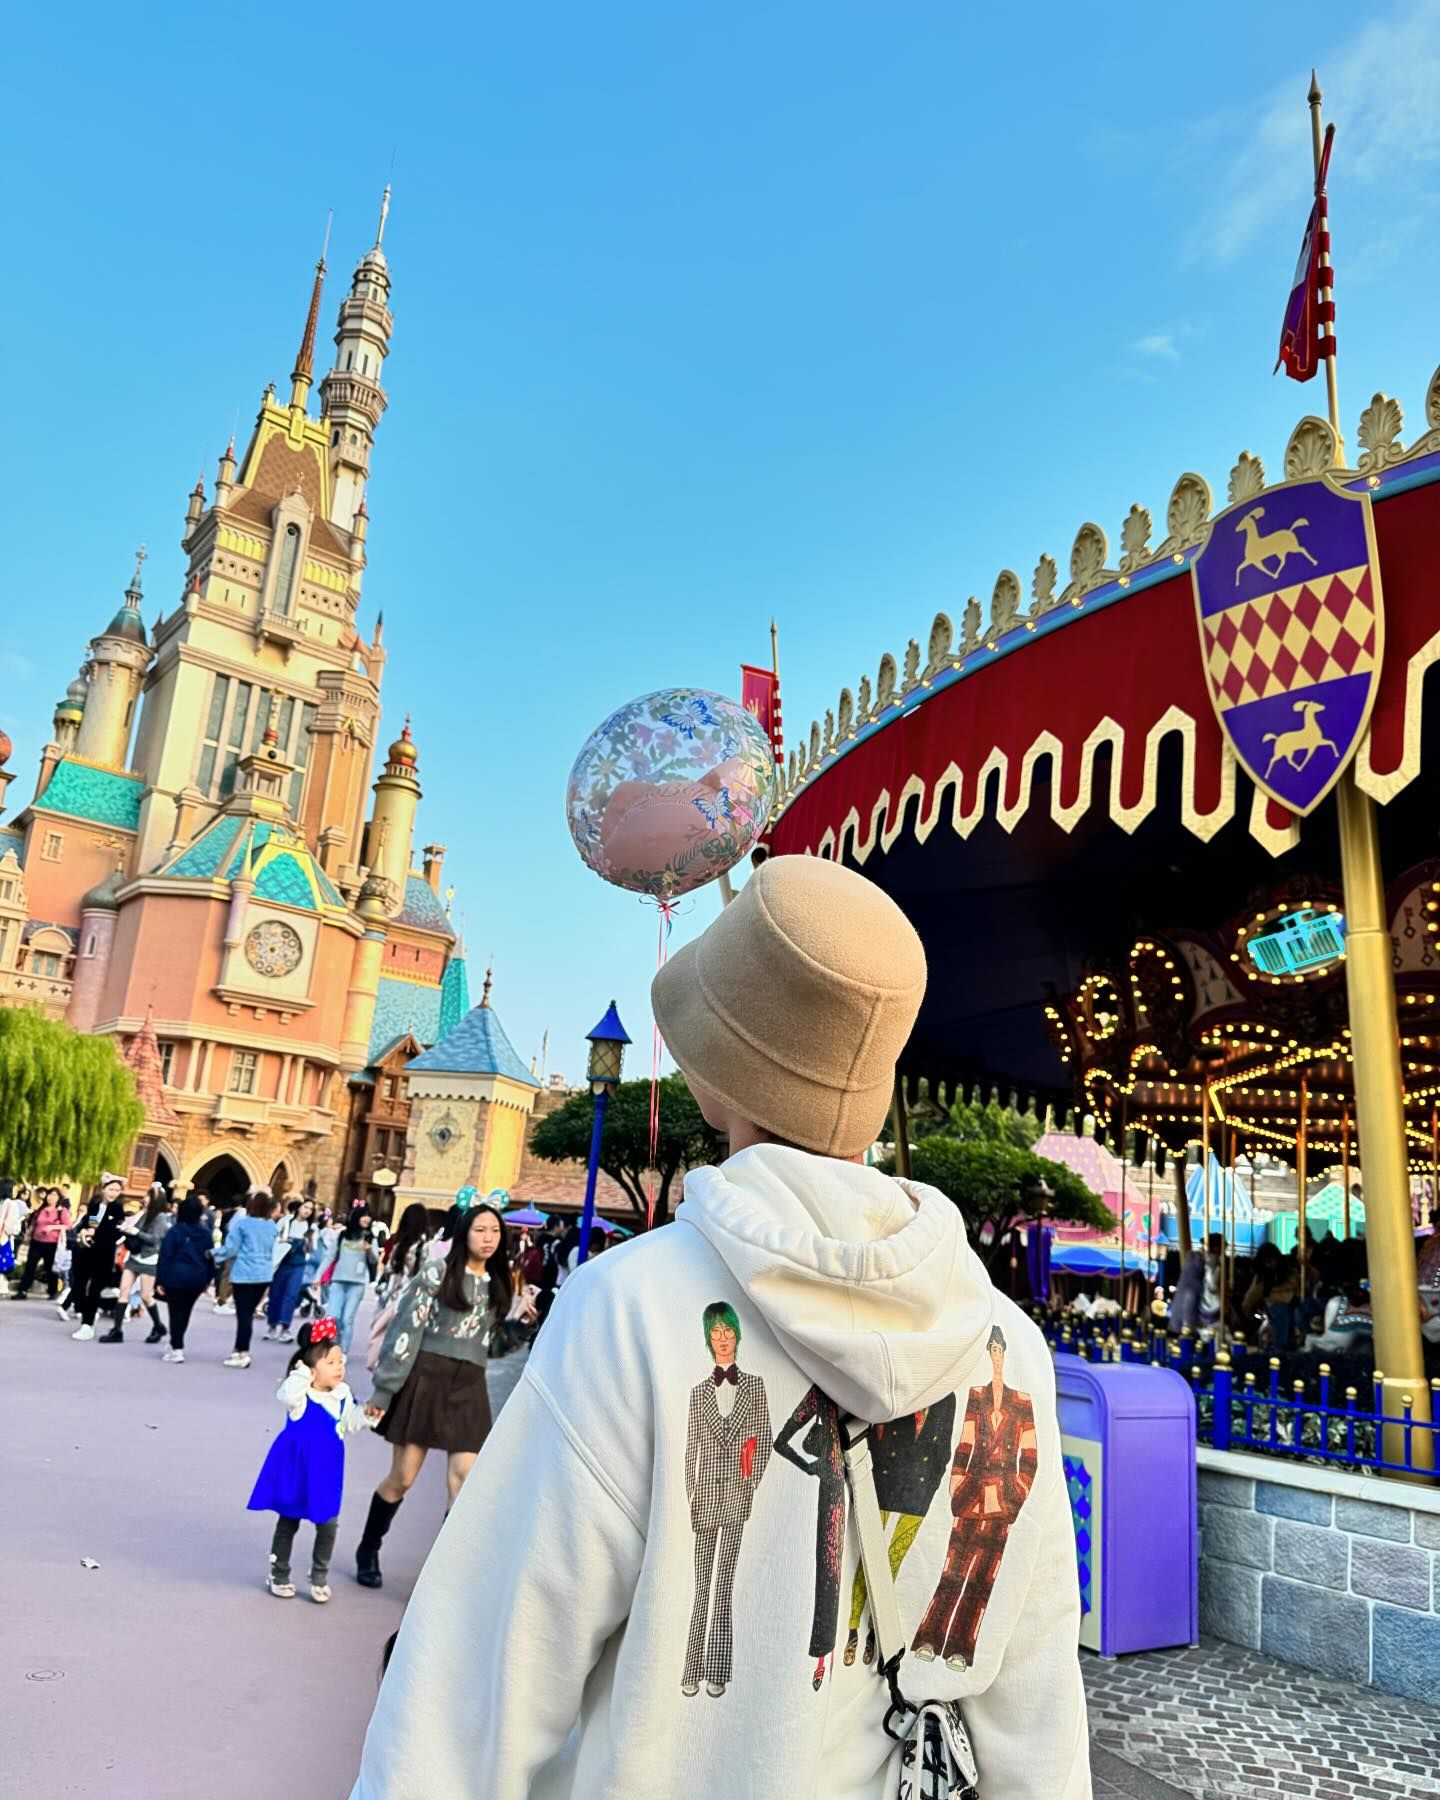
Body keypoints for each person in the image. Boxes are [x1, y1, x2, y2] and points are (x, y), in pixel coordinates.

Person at [351, 855, 1090, 1799]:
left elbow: (478, 1691)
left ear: (713, 1074)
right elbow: (1037, 1711)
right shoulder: (1009, 1347)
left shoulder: (632, 1312)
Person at [353, 1204, 513, 1591]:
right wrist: (384, 1390)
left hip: (469, 1385)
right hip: (426, 1378)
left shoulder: (501, 1282)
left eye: (494, 1231)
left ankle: (443, 1576)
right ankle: (368, 1548)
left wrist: (521, 1324)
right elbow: (405, 1332)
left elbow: (488, 1344)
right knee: (402, 1477)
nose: (488, 1238)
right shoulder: (436, 1274)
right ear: (463, 1234)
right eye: (480, 1230)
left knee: (464, 1478)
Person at [247, 1317, 371, 1602]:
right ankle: (279, 1572)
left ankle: (319, 1575)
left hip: (327, 1470)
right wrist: (301, 1373)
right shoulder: (300, 1395)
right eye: (331, 1362)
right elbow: (286, 1394)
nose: (339, 1367)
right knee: (288, 1520)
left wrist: (367, 1416)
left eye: (341, 1361)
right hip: (296, 1469)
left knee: (327, 1522)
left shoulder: (342, 1394)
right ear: (312, 1368)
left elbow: (349, 1422)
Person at [215, 1190, 280, 1368]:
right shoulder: (271, 1226)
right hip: (264, 1274)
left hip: (244, 1273)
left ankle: (242, 1352)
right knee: (248, 1313)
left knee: (243, 1315)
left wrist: (213, 1254)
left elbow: (231, 1249)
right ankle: (240, 1350)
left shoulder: (243, 1225)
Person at [100, 1186, 173, 1344]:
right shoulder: (144, 1214)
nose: (145, 1198)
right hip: (134, 1257)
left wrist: (135, 1232)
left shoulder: (160, 1217)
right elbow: (137, 1230)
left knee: (146, 1296)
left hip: (149, 1259)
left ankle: (158, 1325)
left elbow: (155, 1239)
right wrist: (127, 1230)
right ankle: (117, 1330)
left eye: (148, 1196)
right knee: (123, 1291)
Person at [67, 1175, 128, 1341]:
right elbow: (90, 1222)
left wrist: (97, 1231)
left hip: (103, 1255)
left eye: (117, 1190)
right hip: (86, 1253)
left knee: (94, 1290)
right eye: (111, 1189)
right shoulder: (94, 1206)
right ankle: (85, 1313)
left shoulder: (117, 1210)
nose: (114, 1193)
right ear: (103, 1189)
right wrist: (87, 1231)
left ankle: (87, 1325)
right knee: (78, 1285)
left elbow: (114, 1232)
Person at [155, 1195, 215, 1362]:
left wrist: (160, 1280)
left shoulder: (175, 1231)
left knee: (175, 1312)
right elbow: (210, 1257)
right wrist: (208, 1279)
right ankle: (176, 1343)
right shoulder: (206, 1233)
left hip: (176, 1275)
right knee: (186, 1312)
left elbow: (165, 1256)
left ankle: (177, 1346)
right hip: (197, 1276)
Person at [327, 1209, 379, 1354]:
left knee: (347, 1319)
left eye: (369, 1216)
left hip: (357, 1283)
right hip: (338, 1280)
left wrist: (369, 1250)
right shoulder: (343, 1235)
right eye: (364, 1215)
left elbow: (374, 1260)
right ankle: (333, 1343)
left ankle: (343, 1351)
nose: (367, 1219)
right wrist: (318, 1276)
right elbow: (330, 1256)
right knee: (333, 1316)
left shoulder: (370, 1237)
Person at [264, 1198, 316, 1344]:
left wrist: (308, 1242)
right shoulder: (286, 1221)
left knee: (291, 1295)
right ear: (299, 1207)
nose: (307, 1211)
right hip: (282, 1262)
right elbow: (273, 1237)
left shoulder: (311, 1227)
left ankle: (285, 1327)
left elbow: (312, 1250)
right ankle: (272, 1325)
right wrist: (282, 1242)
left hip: (298, 1264)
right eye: (305, 1207)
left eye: (310, 1209)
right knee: (276, 1294)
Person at [17, 1187, 70, 1299]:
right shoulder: (41, 1209)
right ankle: (23, 1290)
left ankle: (52, 1291)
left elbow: (68, 1225)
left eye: (55, 1195)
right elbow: (33, 1224)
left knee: (50, 1267)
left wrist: (52, 1227)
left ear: (59, 1198)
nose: (51, 1197)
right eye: (50, 1194)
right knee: (30, 1266)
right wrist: (28, 1235)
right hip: (36, 1242)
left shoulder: (61, 1211)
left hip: (52, 1243)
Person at [378, 1203, 432, 1299]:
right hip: (414, 1297)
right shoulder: (428, 1246)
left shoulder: (397, 1243)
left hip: (394, 1295)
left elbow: (388, 1268)